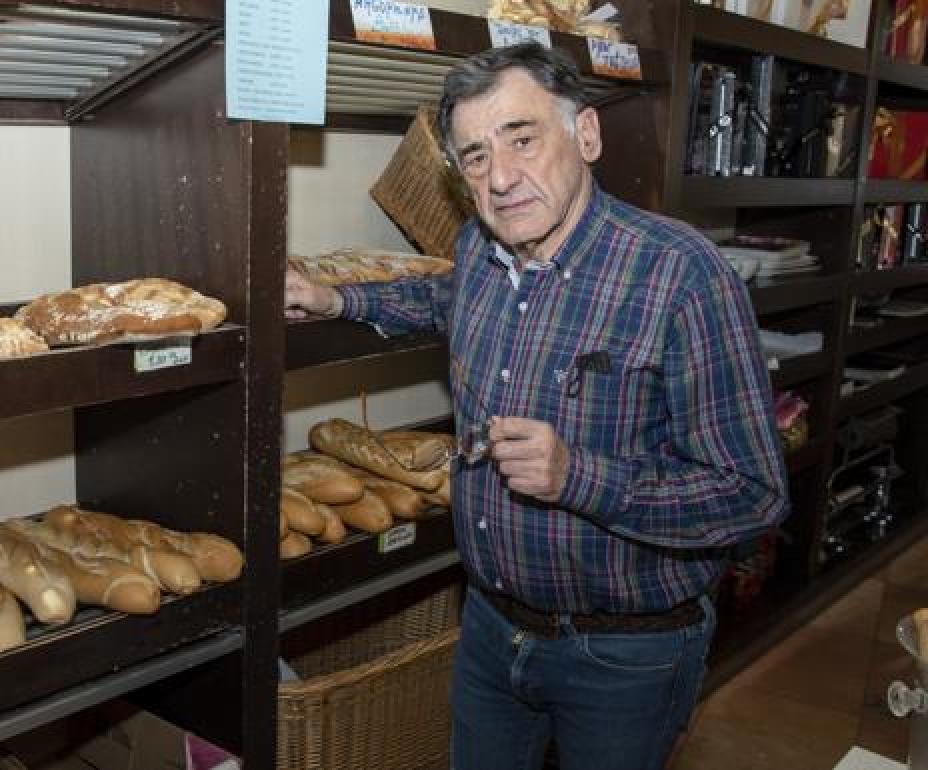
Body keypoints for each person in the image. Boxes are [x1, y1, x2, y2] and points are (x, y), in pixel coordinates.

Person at [285, 43, 789, 770]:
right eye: (476, 157)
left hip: (626, 655)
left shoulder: (682, 275)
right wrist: (336, 297)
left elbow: (754, 495)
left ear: (585, 135)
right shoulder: (480, 252)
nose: (502, 177)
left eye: (522, 139)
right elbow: (439, 295)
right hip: (490, 630)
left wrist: (577, 477)